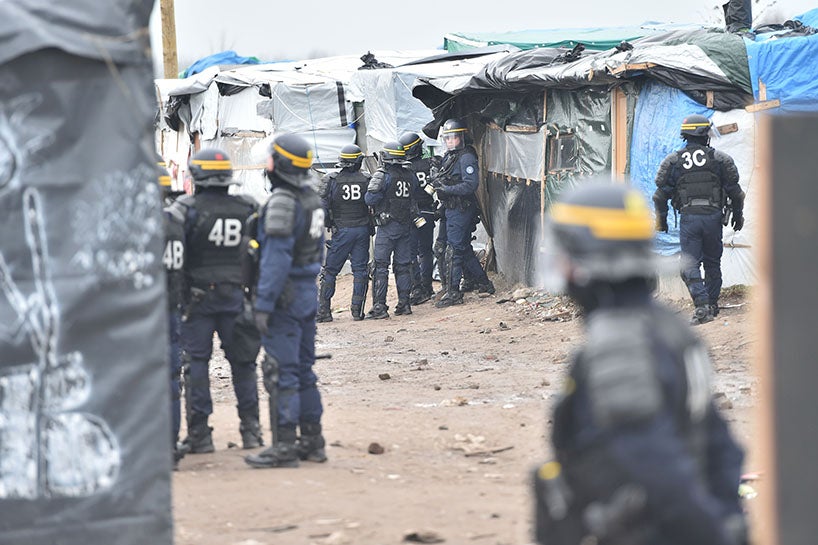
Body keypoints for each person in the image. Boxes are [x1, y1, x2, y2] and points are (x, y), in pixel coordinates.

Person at [534, 181, 747, 545]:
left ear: (584, 261)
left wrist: (712, 535)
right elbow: (720, 448)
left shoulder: (619, 344)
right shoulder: (668, 328)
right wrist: (730, 523)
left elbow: (659, 468)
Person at [169, 148, 263, 454]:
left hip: (197, 299)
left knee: (196, 364)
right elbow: (260, 253)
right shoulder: (248, 206)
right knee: (244, 364)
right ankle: (252, 431)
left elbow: (176, 256)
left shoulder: (185, 209)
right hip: (236, 295)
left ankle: (200, 435)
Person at [245, 134, 327, 469]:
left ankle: (284, 446)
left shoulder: (282, 202)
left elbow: (275, 261)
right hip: (306, 292)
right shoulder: (312, 199)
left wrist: (263, 304)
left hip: (284, 296)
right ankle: (313, 441)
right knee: (304, 368)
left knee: (281, 371)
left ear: (279, 164)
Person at [653, 114, 745, 325]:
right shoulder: (720, 159)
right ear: (703, 134)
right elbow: (736, 193)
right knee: (713, 263)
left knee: (689, 264)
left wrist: (661, 221)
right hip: (713, 218)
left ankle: (702, 307)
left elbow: (659, 196)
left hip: (690, 219)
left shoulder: (673, 161)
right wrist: (738, 215)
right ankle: (711, 305)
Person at [430, 118, 494, 308]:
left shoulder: (466, 157)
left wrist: (446, 189)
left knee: (455, 249)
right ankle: (481, 282)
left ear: (462, 137)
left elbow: (470, 185)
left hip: (461, 208)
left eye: (454, 138)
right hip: (450, 207)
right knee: (457, 247)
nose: (450, 141)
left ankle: (453, 292)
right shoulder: (451, 156)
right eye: (447, 138)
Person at [316, 144, 372, 322]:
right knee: (360, 271)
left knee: (330, 271)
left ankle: (324, 312)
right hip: (362, 229)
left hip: (342, 230)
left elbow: (322, 207)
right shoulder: (366, 178)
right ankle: (357, 312)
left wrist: (329, 224)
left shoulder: (331, 179)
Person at [363, 141, 419, 319]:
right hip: (405, 226)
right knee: (403, 266)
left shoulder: (383, 175)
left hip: (387, 226)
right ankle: (404, 304)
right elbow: (415, 193)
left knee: (380, 267)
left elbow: (370, 199)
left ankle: (379, 307)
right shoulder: (410, 175)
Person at [158, 163, 187, 468]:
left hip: (140, 317)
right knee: (170, 381)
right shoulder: (177, 222)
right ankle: (170, 446)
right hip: (172, 310)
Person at [399, 131, 436, 305]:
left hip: (411, 215)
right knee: (426, 252)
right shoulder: (430, 164)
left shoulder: (404, 169)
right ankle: (427, 287)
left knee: (411, 253)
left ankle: (418, 289)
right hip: (428, 213)